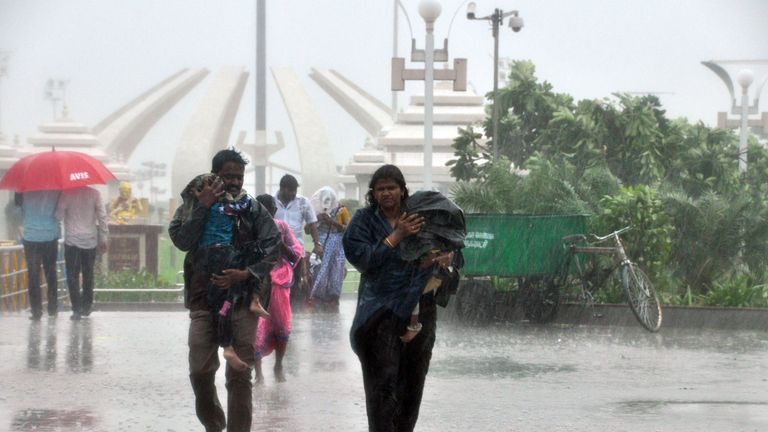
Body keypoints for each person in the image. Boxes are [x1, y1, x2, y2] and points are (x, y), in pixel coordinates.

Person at [169, 148, 280, 432]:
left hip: (242, 299)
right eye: (228, 176)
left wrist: (246, 273)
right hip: (203, 298)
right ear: (215, 174)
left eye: (239, 177)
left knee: (240, 373)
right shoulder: (196, 203)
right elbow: (181, 239)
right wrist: (203, 207)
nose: (233, 182)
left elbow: (272, 244)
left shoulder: (253, 208)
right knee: (200, 370)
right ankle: (214, 423)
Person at [342, 164, 455, 432]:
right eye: (380, 189)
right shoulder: (364, 221)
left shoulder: (422, 217)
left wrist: (445, 258)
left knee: (412, 384)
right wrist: (397, 236)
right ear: (373, 194)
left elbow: (453, 244)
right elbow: (364, 259)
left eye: (391, 187)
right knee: (382, 385)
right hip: (379, 314)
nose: (386, 193)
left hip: (421, 310)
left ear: (403, 190)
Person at [253, 194, 303, 384]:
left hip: (280, 280)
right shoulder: (251, 229)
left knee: (281, 324)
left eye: (270, 211)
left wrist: (280, 245)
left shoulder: (281, 227)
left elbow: (295, 254)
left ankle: (279, 365)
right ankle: (258, 373)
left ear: (274, 211)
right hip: (258, 279)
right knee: (257, 327)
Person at [55, 186, 109, 321]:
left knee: (72, 275)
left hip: (72, 241)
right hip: (89, 241)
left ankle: (76, 309)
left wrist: (61, 205)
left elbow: (58, 216)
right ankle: (87, 305)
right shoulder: (95, 194)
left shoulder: (66, 193)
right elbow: (102, 216)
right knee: (88, 274)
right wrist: (103, 237)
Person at [274, 174, 321, 307]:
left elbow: (312, 224)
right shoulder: (271, 201)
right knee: (275, 281)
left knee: (294, 281)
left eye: (295, 190)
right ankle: (278, 309)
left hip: (295, 250)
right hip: (276, 251)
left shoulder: (303, 202)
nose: (294, 193)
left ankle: (291, 310)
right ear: (283, 189)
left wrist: (317, 244)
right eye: (291, 190)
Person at [17, 191, 61, 320]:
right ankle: (52, 308)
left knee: (33, 274)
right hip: (50, 235)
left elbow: (19, 209)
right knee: (51, 272)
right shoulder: (56, 191)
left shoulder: (23, 190)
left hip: (31, 237)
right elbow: (59, 213)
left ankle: (36, 310)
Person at [309, 186, 350, 311]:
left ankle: (333, 299)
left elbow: (347, 229)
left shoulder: (341, 210)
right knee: (319, 269)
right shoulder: (315, 211)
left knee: (336, 270)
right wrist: (318, 219)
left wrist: (331, 221)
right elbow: (307, 229)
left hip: (337, 246)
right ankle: (318, 297)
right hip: (321, 245)